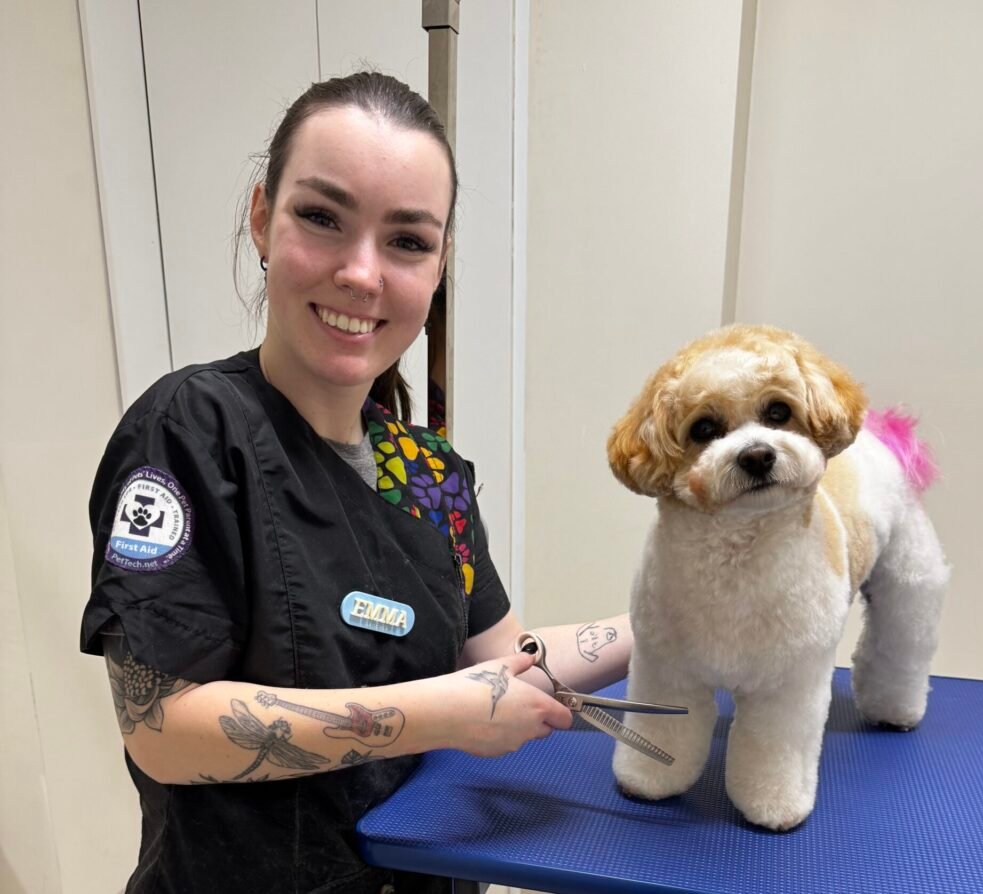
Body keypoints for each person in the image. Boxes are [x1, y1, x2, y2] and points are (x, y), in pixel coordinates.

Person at [80, 72, 632, 894]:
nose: (362, 274)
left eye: (407, 241)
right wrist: (442, 713)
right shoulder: (192, 430)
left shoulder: (430, 475)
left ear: (440, 265)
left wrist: (670, 617)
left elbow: (506, 663)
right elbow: (162, 728)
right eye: (323, 218)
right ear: (262, 219)